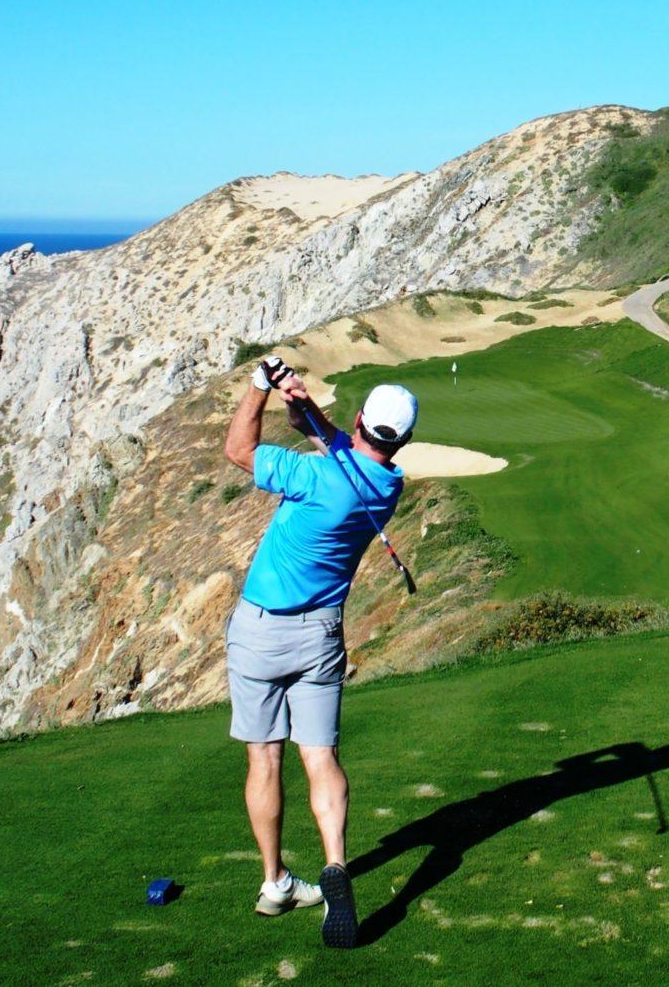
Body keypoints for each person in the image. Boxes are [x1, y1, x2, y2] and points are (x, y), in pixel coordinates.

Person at [222, 361, 418, 950]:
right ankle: (335, 863)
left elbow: (238, 449)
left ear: (361, 419)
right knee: (321, 756)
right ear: (402, 439)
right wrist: (303, 405)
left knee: (265, 760)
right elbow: (345, 450)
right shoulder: (387, 485)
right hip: (321, 636)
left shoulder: (310, 476)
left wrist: (260, 388)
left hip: (259, 631)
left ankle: (275, 882)